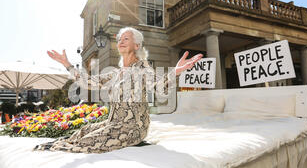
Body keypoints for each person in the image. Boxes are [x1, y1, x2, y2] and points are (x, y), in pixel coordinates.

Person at [37, 26, 203, 154]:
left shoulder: (143, 67)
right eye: (119, 39)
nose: (121, 41)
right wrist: (67, 64)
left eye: (126, 38)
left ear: (137, 45)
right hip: (113, 123)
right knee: (81, 133)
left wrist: (176, 71)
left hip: (133, 128)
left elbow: (159, 87)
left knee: (87, 143)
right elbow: (88, 82)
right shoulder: (114, 74)